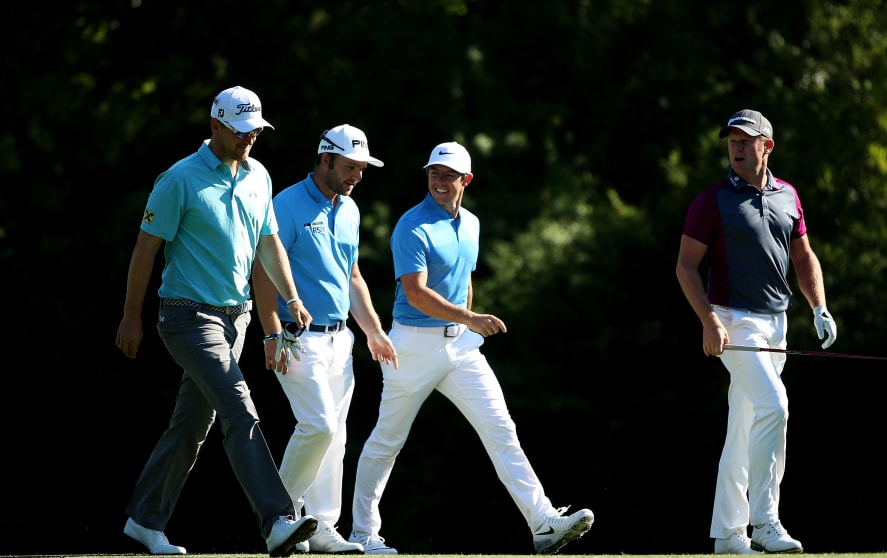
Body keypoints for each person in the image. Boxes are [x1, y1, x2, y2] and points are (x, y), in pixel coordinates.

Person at [347, 141, 594, 555]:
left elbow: (464, 281)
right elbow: (417, 293)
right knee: (387, 439)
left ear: (467, 180)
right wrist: (471, 319)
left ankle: (543, 522)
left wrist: (467, 322)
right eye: (434, 174)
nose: (440, 182)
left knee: (501, 429)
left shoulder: (472, 224)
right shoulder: (412, 225)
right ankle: (363, 534)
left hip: (460, 346)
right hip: (412, 345)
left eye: (449, 176)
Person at [115, 85, 320, 557]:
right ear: (215, 126)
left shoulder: (258, 176)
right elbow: (146, 250)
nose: (250, 139)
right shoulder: (179, 179)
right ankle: (277, 520)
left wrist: (290, 299)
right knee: (238, 406)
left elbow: (268, 243)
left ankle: (144, 522)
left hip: (237, 319)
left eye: (256, 132)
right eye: (242, 131)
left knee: (191, 424)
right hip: (186, 317)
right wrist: (131, 317)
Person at [675, 109, 838, 555]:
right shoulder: (712, 200)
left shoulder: (788, 195)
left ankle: (729, 534)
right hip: (733, 321)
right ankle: (766, 521)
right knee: (776, 405)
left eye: (746, 141)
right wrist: (709, 321)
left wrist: (819, 307)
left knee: (745, 423)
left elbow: (803, 257)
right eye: (732, 142)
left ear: (767, 146)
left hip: (777, 321)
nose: (737, 149)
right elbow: (686, 266)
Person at [251, 124, 400, 554]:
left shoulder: (350, 210)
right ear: (325, 159)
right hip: (296, 337)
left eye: (361, 169)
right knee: (319, 425)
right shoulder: (287, 204)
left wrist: (373, 331)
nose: (355, 175)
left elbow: (352, 277)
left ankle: (320, 527)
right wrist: (271, 333)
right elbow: (262, 272)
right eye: (349, 166)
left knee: (336, 439)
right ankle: (279, 514)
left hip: (341, 340)